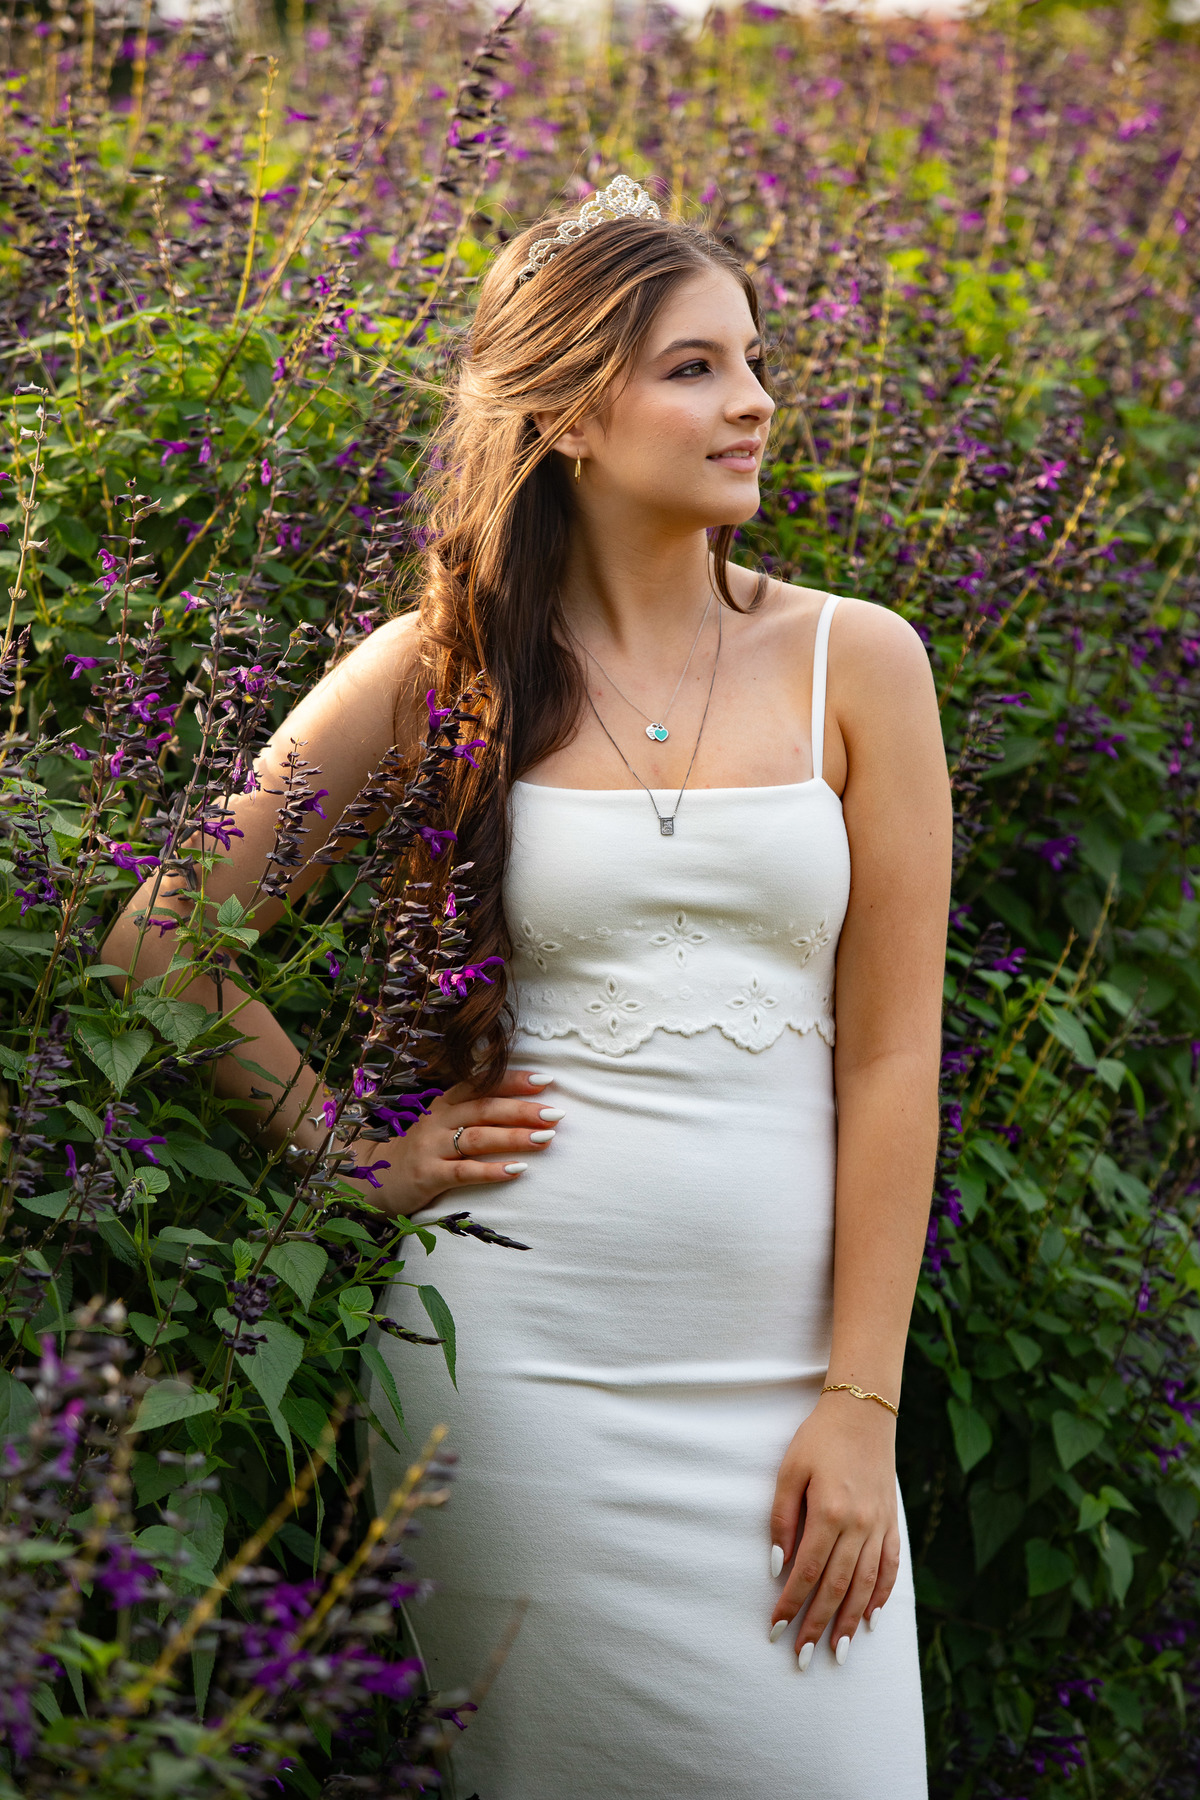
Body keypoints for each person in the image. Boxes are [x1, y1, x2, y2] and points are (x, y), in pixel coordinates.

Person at [107, 176, 951, 1798]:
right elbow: (159, 939)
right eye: (695, 367)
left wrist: (863, 1403)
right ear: (567, 412)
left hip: (797, 1392)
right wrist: (351, 1156)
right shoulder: (435, 667)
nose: (754, 401)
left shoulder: (861, 662)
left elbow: (892, 1057)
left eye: (755, 360)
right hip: (517, 1377)